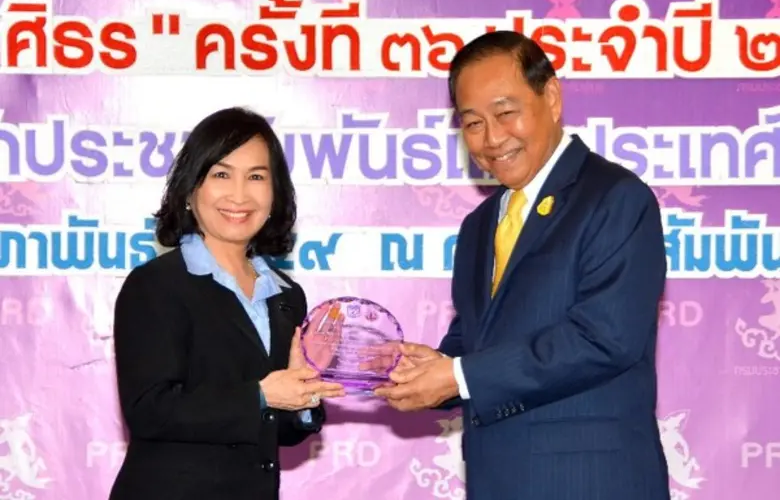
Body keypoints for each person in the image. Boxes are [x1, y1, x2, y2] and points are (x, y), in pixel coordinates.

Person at [375, 31, 670, 499]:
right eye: (473, 123)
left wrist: (458, 376)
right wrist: (427, 369)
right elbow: (477, 341)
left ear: (551, 97)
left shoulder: (615, 197)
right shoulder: (479, 225)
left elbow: (604, 338)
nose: (492, 139)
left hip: (588, 484)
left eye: (505, 113)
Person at [109, 107, 344, 500]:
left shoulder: (286, 295)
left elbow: (279, 431)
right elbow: (149, 410)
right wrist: (263, 395)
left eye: (256, 177)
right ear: (190, 189)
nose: (239, 194)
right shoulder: (155, 285)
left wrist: (302, 392)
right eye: (221, 174)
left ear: (275, 193)